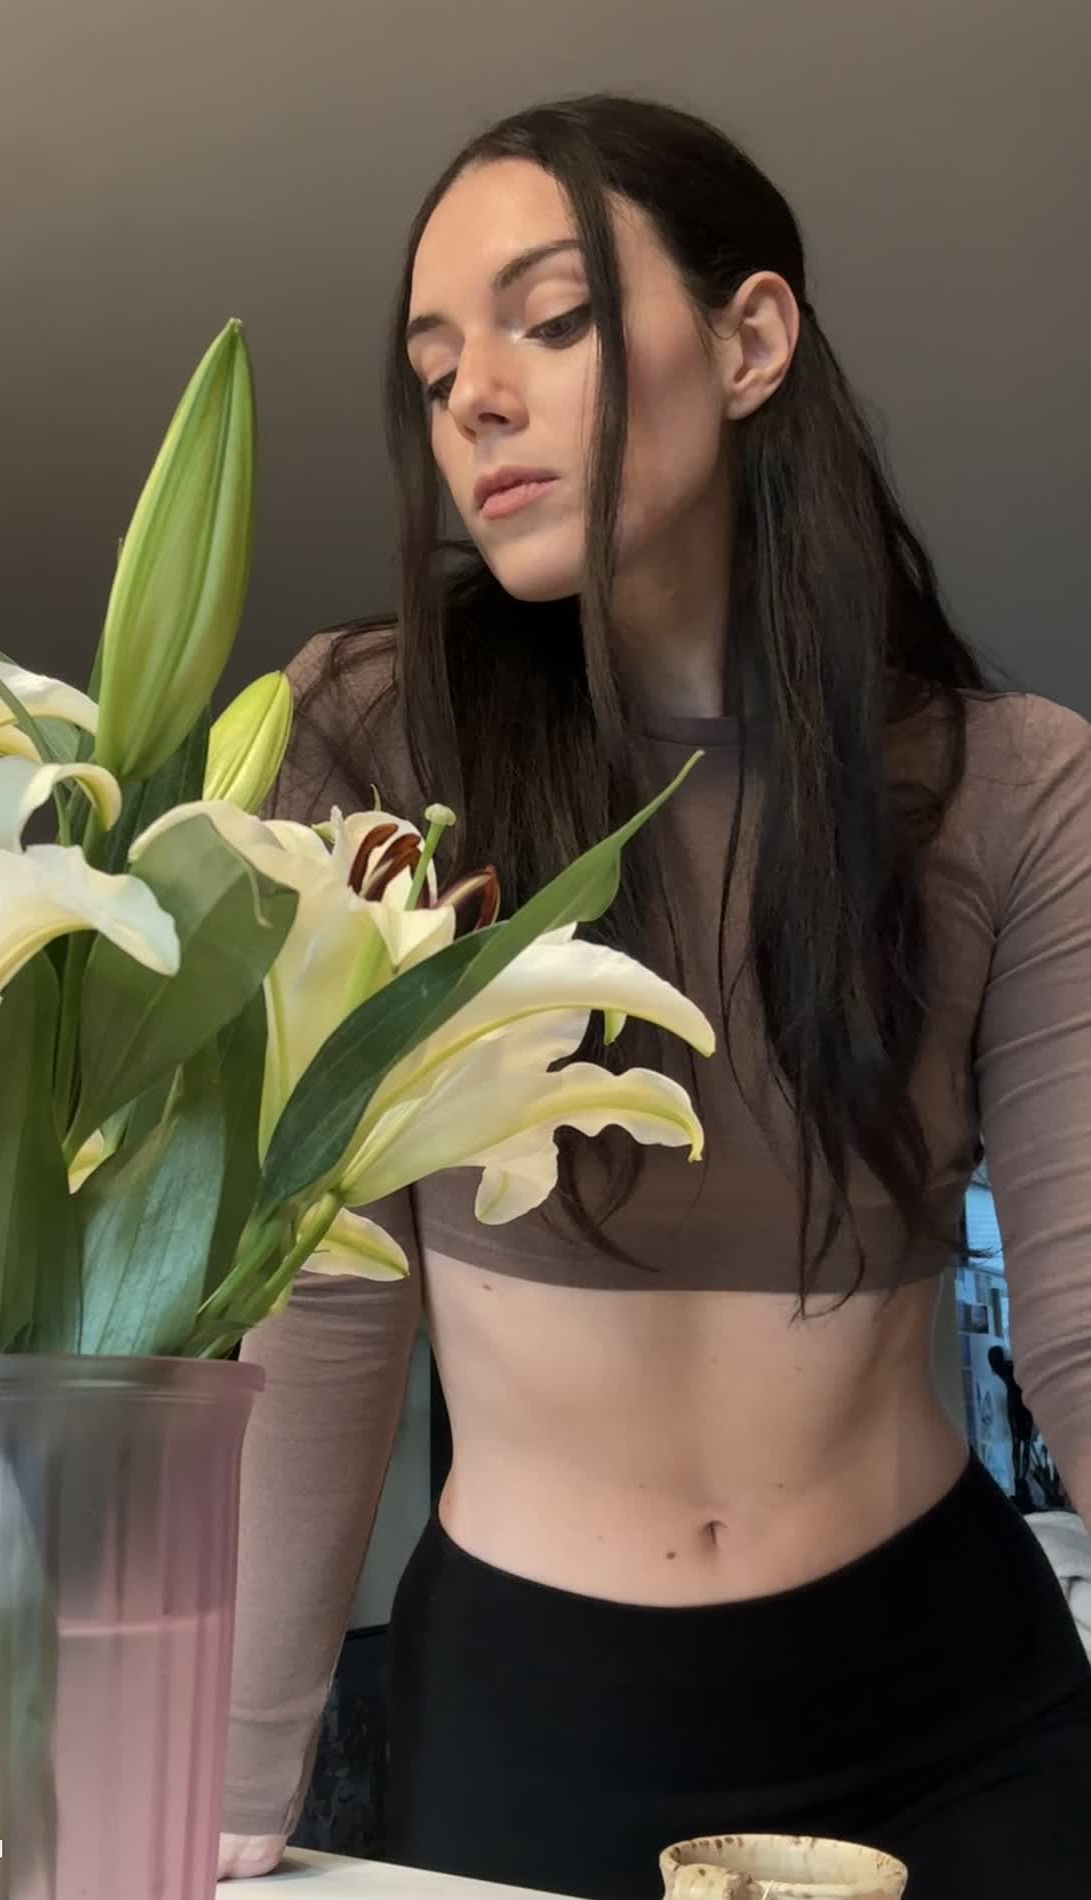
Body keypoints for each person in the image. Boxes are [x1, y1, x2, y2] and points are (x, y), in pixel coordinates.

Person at [216, 94, 1091, 1900]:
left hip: (955, 1702)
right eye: (433, 367)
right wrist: (223, 1773)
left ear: (750, 340)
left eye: (550, 320)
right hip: (535, 1715)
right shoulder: (366, 743)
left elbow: (1080, 1325)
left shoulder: (1016, 786)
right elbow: (324, 1291)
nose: (472, 398)